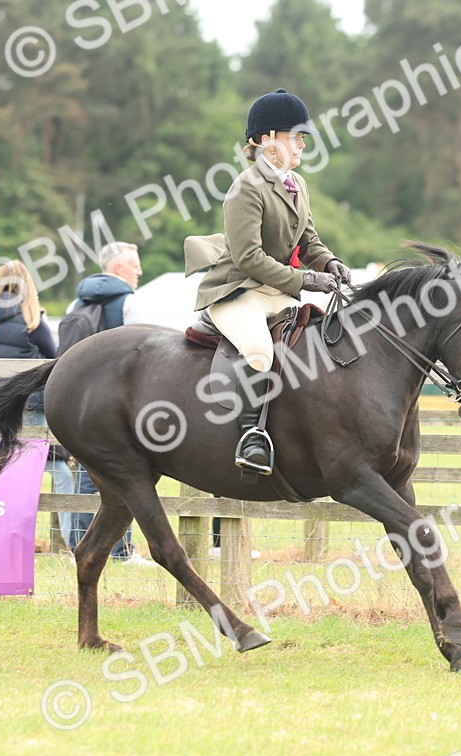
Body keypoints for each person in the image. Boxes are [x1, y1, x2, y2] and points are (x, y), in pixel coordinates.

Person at [188, 88, 351, 479]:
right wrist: (307, 279)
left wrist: (330, 262)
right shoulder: (245, 189)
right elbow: (249, 258)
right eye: (295, 136)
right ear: (266, 141)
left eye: (303, 138)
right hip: (238, 291)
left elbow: (309, 241)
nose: (302, 145)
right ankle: (252, 437)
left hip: (276, 293)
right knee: (260, 350)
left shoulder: (297, 184)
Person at [0, 260, 75, 548]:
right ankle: (70, 541)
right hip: (26, 403)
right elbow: (53, 357)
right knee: (56, 469)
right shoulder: (32, 320)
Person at [63, 242, 154, 564]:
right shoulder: (129, 302)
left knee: (88, 474)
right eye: (135, 265)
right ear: (118, 268)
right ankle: (120, 551)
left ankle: (81, 545)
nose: (139, 271)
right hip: (118, 402)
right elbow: (146, 350)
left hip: (80, 400)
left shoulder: (77, 301)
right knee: (124, 474)